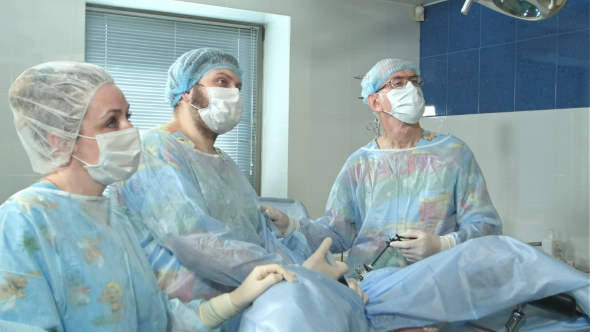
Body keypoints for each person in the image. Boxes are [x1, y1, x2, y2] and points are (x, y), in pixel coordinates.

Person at [0, 61, 300, 331]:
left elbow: (155, 318)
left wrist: (233, 300)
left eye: (127, 116)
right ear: (60, 141)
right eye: (111, 122)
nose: (130, 129)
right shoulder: (23, 221)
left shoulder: (112, 221)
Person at [112, 48, 368, 326]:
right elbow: (195, 241)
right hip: (187, 316)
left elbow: (258, 239)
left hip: (247, 311)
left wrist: (325, 282)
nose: (233, 92)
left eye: (238, 86)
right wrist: (298, 275)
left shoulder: (224, 163)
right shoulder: (153, 150)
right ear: (187, 91)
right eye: (222, 82)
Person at [261, 58, 503, 277]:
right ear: (375, 101)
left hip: (435, 287)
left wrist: (444, 244)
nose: (410, 89)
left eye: (414, 81)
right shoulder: (360, 163)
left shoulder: (452, 154)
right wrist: (291, 225)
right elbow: (337, 232)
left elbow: (486, 226)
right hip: (368, 288)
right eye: (397, 83)